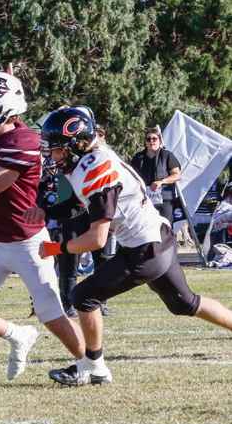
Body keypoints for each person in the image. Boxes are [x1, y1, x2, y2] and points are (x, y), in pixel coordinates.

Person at [36, 106, 232, 386]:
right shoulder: (91, 159)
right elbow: (79, 204)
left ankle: (94, 368)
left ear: (76, 145)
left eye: (56, 149)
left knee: (83, 296)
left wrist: (56, 249)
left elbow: (96, 239)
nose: (53, 156)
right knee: (185, 303)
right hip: (156, 237)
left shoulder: (96, 170)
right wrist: (46, 211)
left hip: (146, 248)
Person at [0, 71, 86, 380]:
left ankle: (92, 365)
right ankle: (18, 334)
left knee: (51, 314)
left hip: (28, 242)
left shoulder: (22, 141)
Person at [130, 127, 181, 224]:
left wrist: (162, 182)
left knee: (165, 227)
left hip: (164, 199)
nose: (151, 141)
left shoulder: (167, 155)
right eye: (148, 139)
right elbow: (131, 176)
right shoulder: (138, 157)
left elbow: (177, 175)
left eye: (154, 139)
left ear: (160, 141)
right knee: (146, 227)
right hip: (145, 200)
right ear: (145, 142)